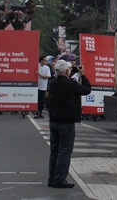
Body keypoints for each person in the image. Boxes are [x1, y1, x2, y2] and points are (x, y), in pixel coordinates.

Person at [47, 60, 91, 188]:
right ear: (66, 71)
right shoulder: (71, 84)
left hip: (54, 120)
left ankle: (52, 178)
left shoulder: (53, 83)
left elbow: (64, 80)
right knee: (65, 151)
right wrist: (83, 75)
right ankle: (60, 179)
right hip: (67, 122)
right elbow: (86, 90)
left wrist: (70, 73)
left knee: (54, 151)